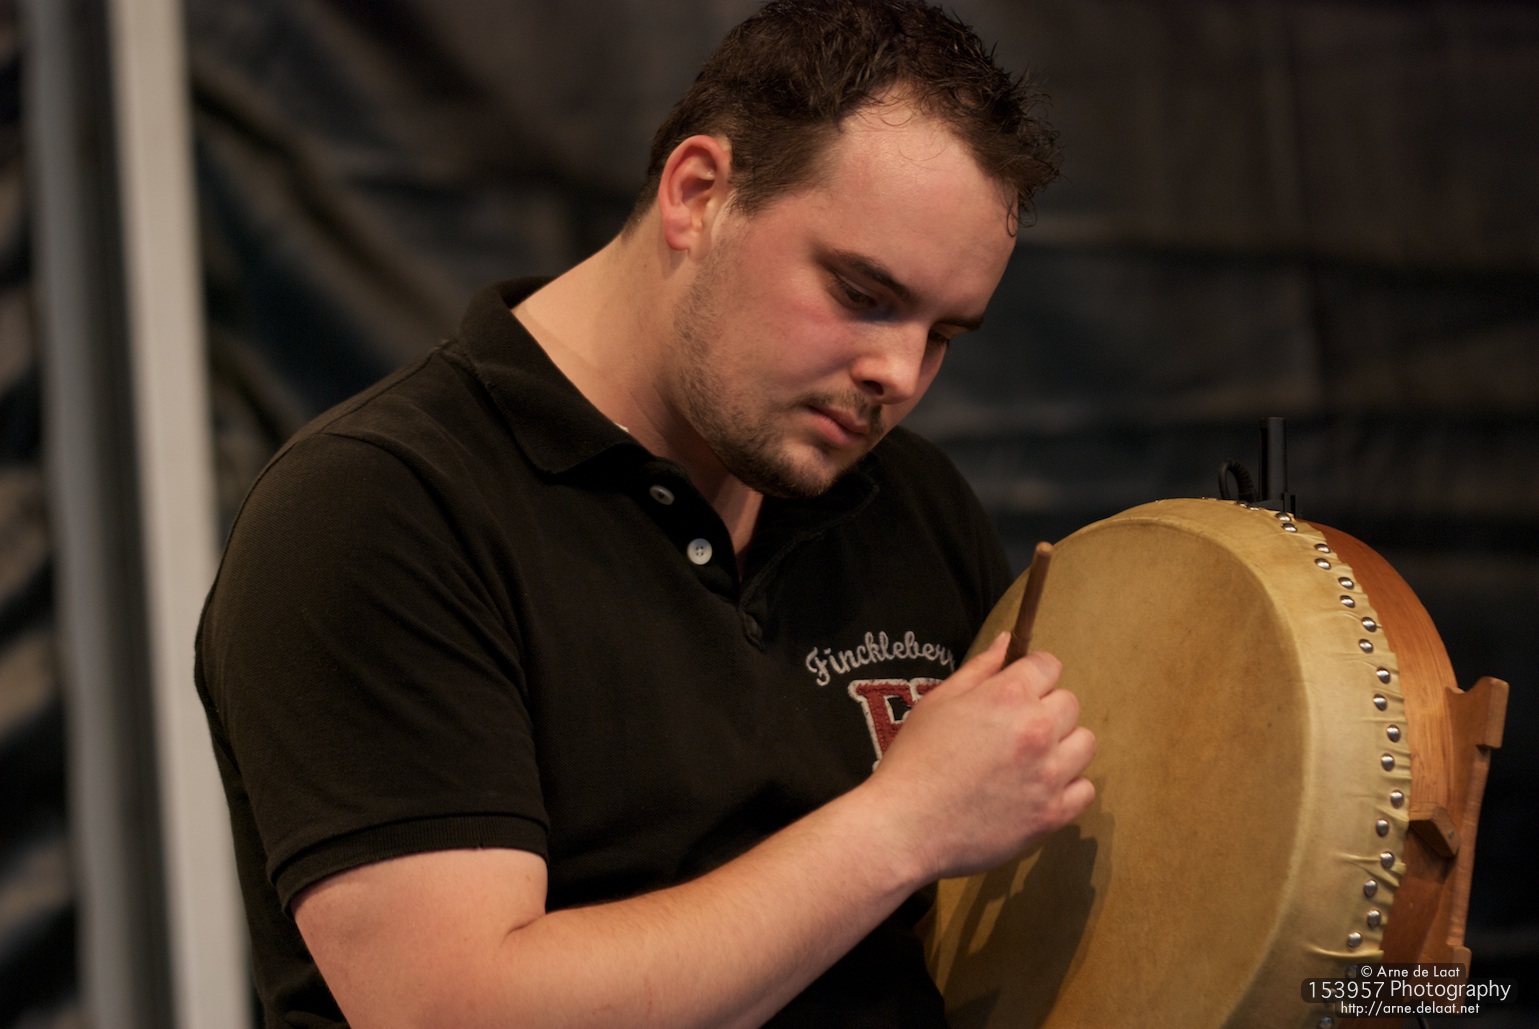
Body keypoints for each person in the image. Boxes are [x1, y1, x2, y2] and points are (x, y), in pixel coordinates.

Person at [195, 1, 1097, 1025]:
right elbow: (458, 1009)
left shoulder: (909, 502)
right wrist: (900, 826)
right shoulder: (378, 510)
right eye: (861, 292)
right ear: (698, 194)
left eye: (942, 335)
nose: (896, 371)